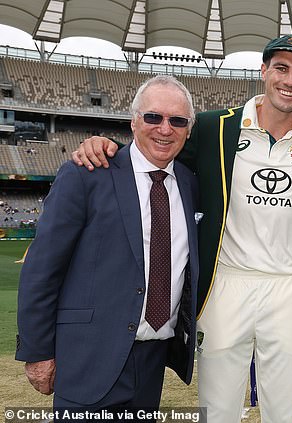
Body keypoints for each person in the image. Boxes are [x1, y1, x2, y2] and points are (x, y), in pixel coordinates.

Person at [72, 35, 292, 423]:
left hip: (289, 282)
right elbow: (157, 149)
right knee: (218, 408)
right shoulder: (213, 127)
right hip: (225, 281)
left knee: (284, 408)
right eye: (281, 68)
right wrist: (108, 146)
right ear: (264, 71)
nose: (290, 80)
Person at [16, 75, 199, 413]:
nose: (164, 128)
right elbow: (42, 269)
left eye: (178, 120)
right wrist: (37, 352)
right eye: (153, 117)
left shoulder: (190, 184)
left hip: (153, 362)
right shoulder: (87, 173)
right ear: (133, 121)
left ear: (189, 129)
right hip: (89, 356)